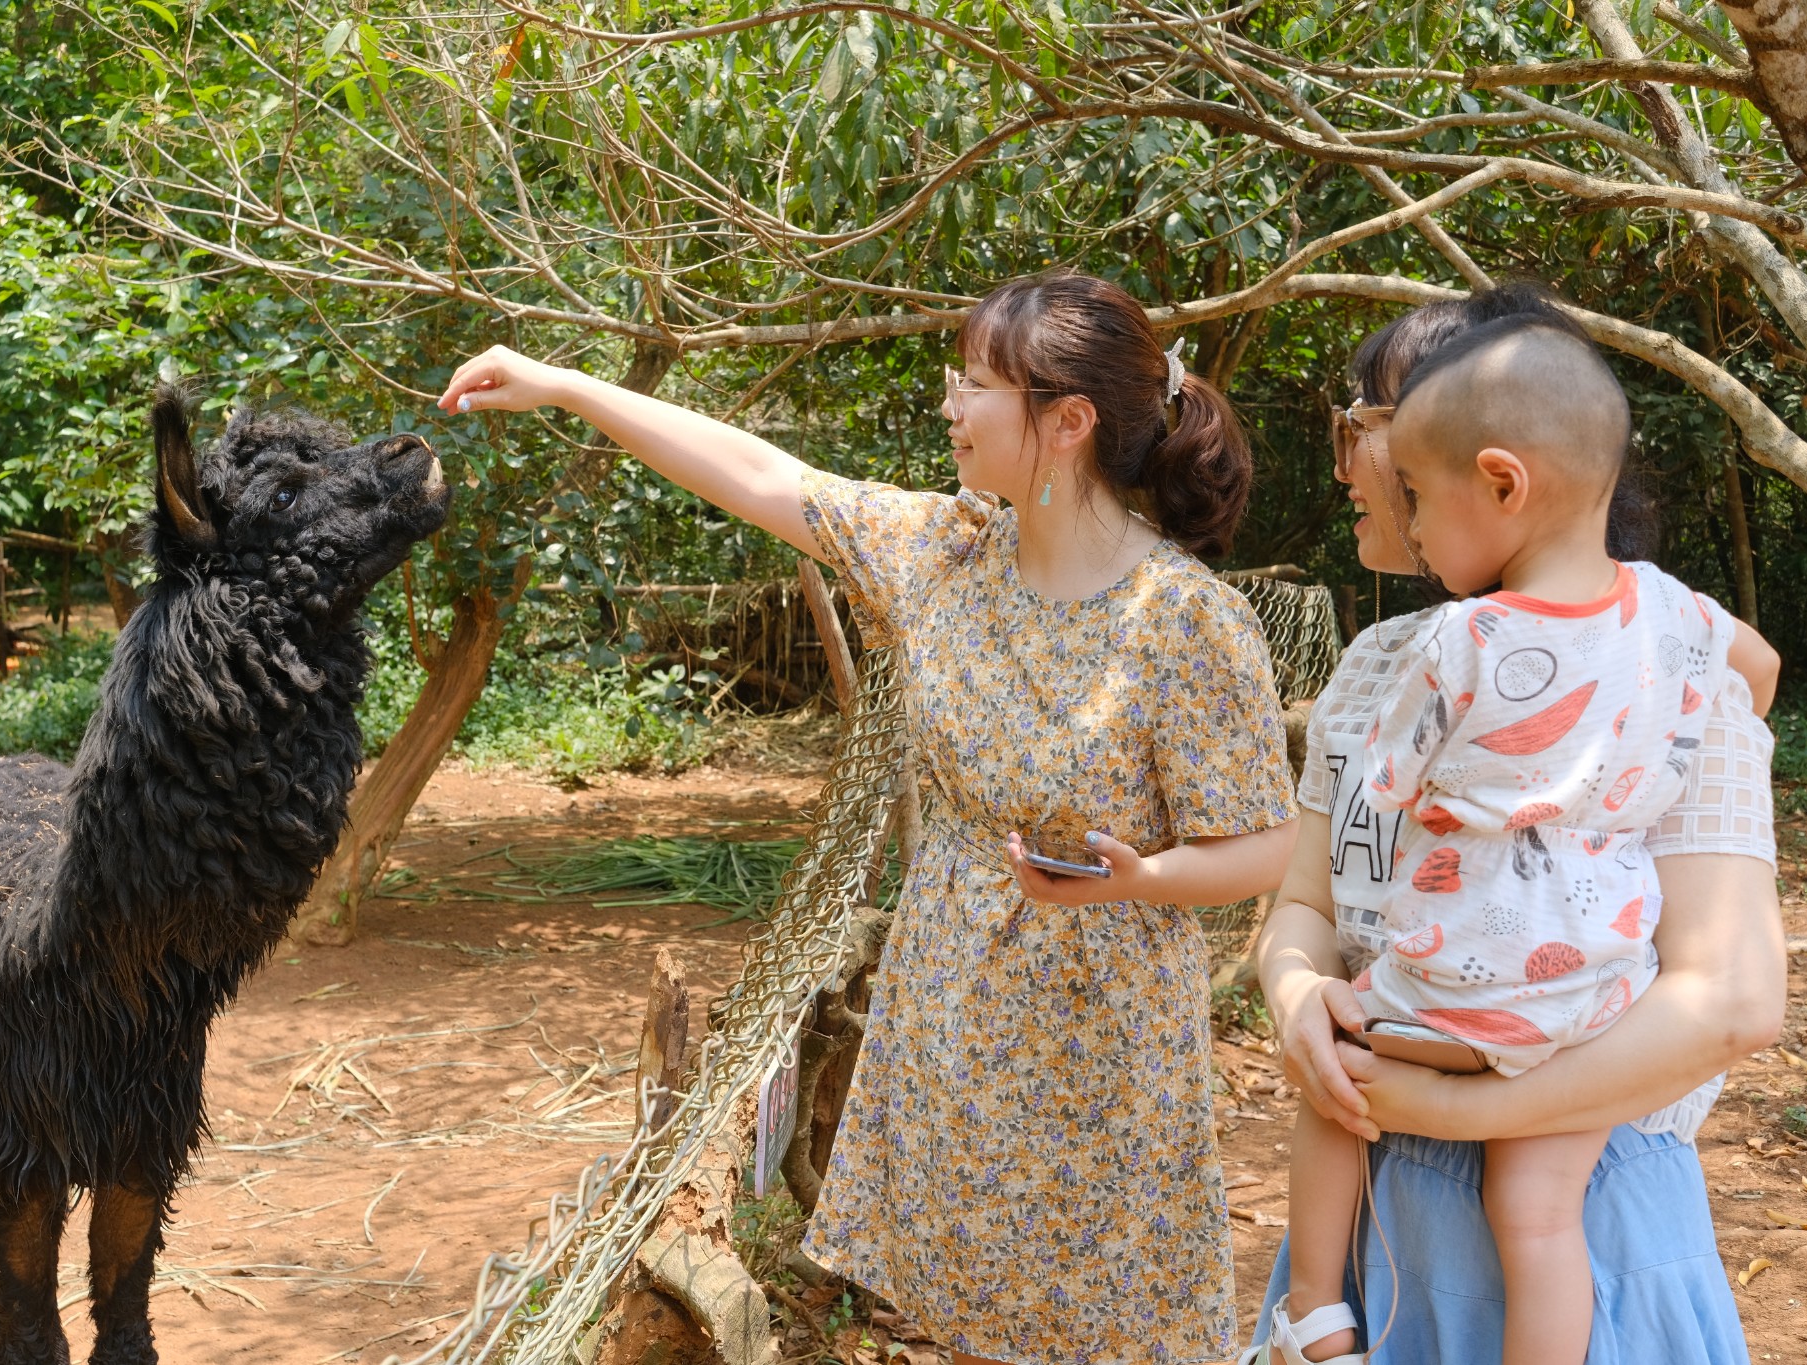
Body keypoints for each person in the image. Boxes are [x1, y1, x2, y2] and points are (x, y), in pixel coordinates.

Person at [439, 271, 1300, 1364]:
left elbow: (1265, 843)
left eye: (975, 382)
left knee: (1106, 1334)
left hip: (1103, 1059)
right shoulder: (938, 554)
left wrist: (1140, 879)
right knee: (973, 1325)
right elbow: (761, 473)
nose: (949, 403)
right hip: (950, 1028)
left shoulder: (1188, 622)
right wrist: (566, 386)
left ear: (1067, 421)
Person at [1248, 284, 1785, 1365]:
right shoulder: (1372, 669)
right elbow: (1307, 902)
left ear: (1490, 465)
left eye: (1365, 428)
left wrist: (1446, 1113)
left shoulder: (1674, 682)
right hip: (1370, 1201)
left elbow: (1729, 1000)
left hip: (1583, 1213)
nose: (1347, 465)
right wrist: (1298, 993)